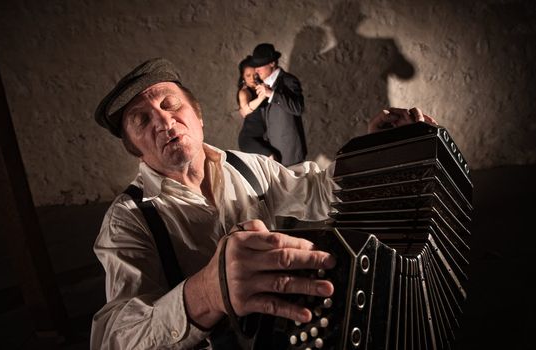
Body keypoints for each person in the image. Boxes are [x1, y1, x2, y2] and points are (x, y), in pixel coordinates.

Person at [90, 57, 435, 349]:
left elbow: (318, 193)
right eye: (142, 120)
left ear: (198, 116)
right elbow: (115, 338)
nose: (164, 122)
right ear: (134, 148)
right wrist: (207, 294)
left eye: (170, 104)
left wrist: (372, 153)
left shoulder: (247, 166)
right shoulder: (128, 219)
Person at [247, 43, 307, 167]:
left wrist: (272, 94)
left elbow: (298, 108)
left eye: (260, 65)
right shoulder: (261, 86)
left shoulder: (288, 80)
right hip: (273, 155)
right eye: (255, 66)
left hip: (290, 155)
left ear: (272, 63)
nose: (256, 70)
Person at [236, 56, 277, 158]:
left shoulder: (264, 87)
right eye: (248, 75)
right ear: (243, 78)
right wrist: (261, 98)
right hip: (249, 139)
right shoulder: (244, 92)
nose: (252, 79)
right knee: (272, 158)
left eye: (255, 75)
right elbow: (244, 111)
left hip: (265, 137)